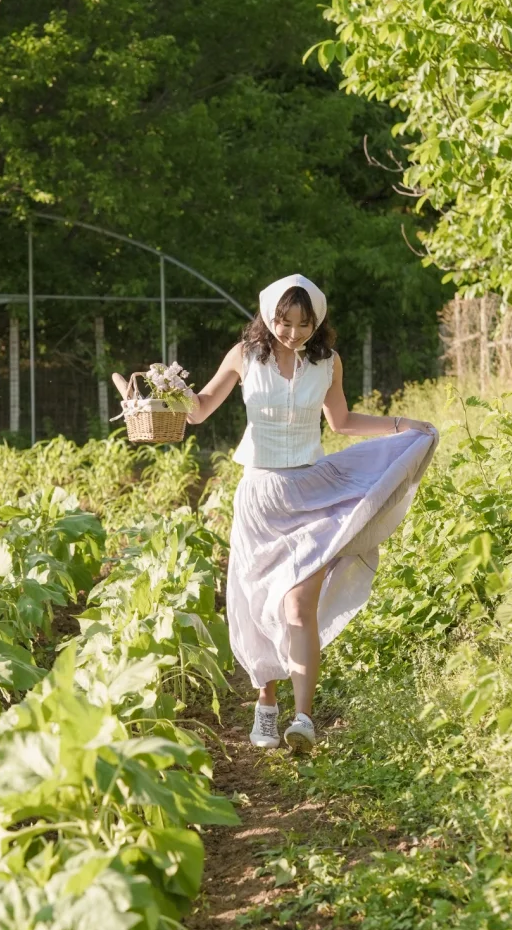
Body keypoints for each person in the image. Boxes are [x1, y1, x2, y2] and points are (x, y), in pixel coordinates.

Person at [183, 274, 437, 753]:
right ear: (268, 315)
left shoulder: (327, 363)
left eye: (303, 323)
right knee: (260, 604)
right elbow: (198, 411)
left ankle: (303, 719)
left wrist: (404, 425)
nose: (292, 331)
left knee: (298, 607)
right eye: (283, 320)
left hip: (310, 492)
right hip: (260, 497)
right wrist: (164, 391)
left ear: (316, 323)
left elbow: (341, 422)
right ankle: (265, 704)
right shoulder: (245, 355)